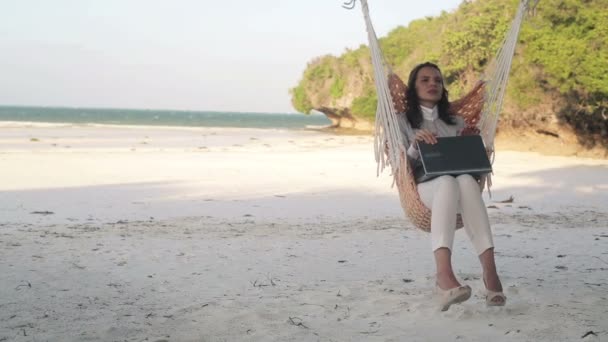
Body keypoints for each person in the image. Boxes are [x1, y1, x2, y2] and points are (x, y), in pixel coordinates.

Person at [398, 62, 506, 311]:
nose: (432, 84)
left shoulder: (456, 121)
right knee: (446, 182)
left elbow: (468, 161)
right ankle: (444, 275)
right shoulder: (402, 122)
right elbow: (400, 162)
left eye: (437, 79)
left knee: (467, 180)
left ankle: (490, 273)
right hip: (423, 189)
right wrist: (416, 144)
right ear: (413, 88)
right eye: (424, 80)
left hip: (461, 188)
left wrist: (472, 141)